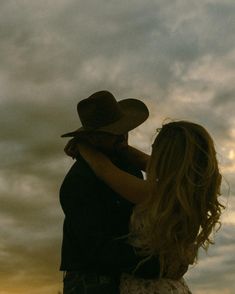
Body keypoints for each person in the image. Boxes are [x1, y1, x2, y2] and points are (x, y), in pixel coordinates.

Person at [67, 120, 225, 294]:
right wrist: (123, 148)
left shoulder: (152, 194)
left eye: (155, 148)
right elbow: (149, 162)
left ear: (166, 157)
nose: (150, 152)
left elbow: (104, 169)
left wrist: (83, 146)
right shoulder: (189, 193)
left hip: (148, 286)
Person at [59, 90, 164, 294]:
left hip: (121, 276)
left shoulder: (128, 166)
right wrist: (153, 265)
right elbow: (95, 247)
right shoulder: (78, 182)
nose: (123, 137)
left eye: (123, 130)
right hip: (92, 282)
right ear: (94, 137)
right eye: (113, 133)